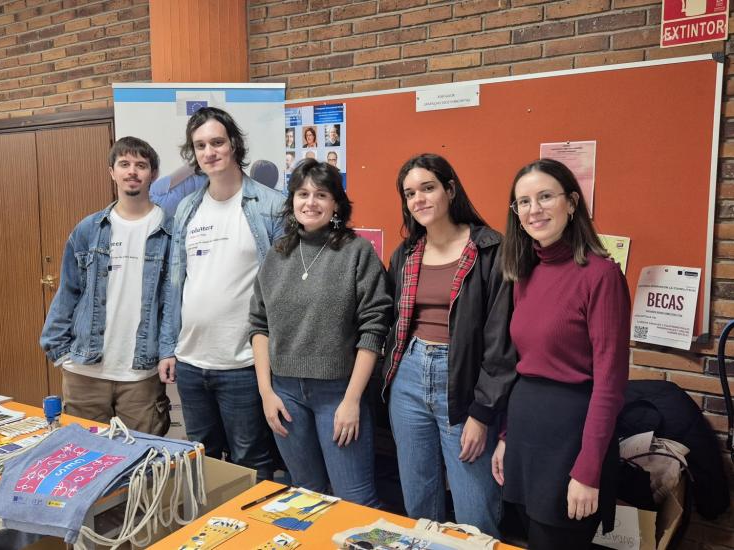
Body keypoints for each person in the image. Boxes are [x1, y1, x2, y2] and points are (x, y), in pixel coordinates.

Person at [492, 158, 630, 549]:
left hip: (571, 443)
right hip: (525, 435)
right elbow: (523, 366)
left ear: (571, 203)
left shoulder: (601, 276)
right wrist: (505, 436)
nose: (534, 209)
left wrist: (588, 471)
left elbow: (610, 386)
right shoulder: (525, 271)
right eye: (523, 202)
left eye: (545, 196)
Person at [383, 153, 516, 536]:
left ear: (450, 189)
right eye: (410, 193)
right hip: (408, 379)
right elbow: (395, 322)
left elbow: (502, 345)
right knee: (419, 504)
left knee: (476, 509)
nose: (419, 199)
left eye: (428, 188)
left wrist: (482, 412)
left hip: (463, 386)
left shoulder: (491, 250)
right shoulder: (406, 254)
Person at [249, 159, 392, 506]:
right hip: (285, 394)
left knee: (354, 499)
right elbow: (259, 325)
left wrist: (353, 400)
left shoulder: (356, 252)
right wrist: (266, 393)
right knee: (305, 494)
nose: (310, 202)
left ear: (336, 204)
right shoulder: (276, 255)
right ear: (292, 200)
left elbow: (374, 328)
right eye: (302, 194)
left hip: (338, 394)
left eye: (321, 194)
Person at [158, 107, 284, 481]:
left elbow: (282, 287)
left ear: (234, 145)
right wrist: (168, 347)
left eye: (217, 142)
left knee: (252, 461)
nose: (209, 152)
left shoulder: (271, 206)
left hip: (244, 363)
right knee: (201, 461)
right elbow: (174, 285)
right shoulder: (186, 209)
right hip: (192, 363)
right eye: (200, 145)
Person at [40, 136, 171, 435]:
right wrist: (60, 350)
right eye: (124, 164)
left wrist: (166, 351)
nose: (132, 171)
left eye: (141, 165)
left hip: (140, 374)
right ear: (112, 172)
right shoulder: (89, 229)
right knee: (82, 457)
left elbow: (174, 303)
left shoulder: (169, 230)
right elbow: (70, 291)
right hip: (84, 371)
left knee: (143, 461)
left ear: (153, 173)